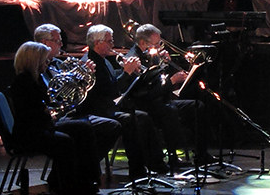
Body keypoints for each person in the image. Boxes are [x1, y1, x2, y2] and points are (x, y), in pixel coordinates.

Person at [8, 41, 101, 195]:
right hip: (30, 134)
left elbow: (40, 108)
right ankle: (65, 188)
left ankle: (87, 179)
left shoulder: (33, 79)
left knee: (83, 128)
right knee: (65, 142)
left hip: (40, 126)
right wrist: (48, 114)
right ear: (34, 61)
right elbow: (31, 115)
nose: (47, 63)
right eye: (44, 60)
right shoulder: (23, 82)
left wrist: (50, 112)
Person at [77, 25, 167, 178]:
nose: (113, 45)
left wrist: (131, 72)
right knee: (130, 119)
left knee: (142, 117)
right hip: (97, 111)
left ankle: (154, 163)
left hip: (107, 108)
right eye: (109, 41)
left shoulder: (103, 60)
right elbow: (110, 91)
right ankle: (138, 170)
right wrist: (127, 72)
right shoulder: (90, 63)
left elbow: (113, 84)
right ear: (98, 43)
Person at [123, 24, 213, 169]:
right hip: (144, 105)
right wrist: (172, 82)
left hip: (160, 101)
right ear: (142, 43)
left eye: (160, 43)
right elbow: (146, 93)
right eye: (156, 44)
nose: (159, 47)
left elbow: (160, 83)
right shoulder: (133, 60)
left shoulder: (152, 55)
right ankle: (172, 157)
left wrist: (167, 65)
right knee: (169, 110)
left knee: (197, 106)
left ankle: (201, 154)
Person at [33, 23, 122, 169]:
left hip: (68, 113)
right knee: (87, 128)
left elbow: (74, 93)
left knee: (95, 126)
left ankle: (85, 168)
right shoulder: (37, 69)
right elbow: (51, 97)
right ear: (44, 43)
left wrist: (81, 79)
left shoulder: (57, 64)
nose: (62, 44)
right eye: (57, 41)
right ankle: (85, 168)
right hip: (54, 118)